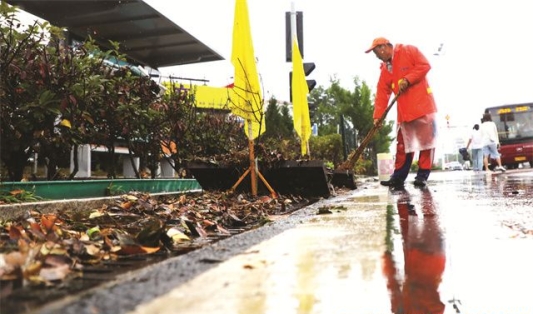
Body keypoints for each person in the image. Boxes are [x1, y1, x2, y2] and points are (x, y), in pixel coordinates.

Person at [365, 37, 438, 188]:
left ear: (384, 47)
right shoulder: (386, 69)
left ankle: (422, 176)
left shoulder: (408, 51)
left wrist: (408, 79)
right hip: (405, 113)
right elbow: (382, 93)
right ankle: (398, 177)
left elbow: (424, 65)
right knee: (403, 146)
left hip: (423, 106)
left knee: (427, 143)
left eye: (376, 51)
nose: (376, 55)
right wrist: (378, 116)